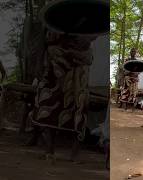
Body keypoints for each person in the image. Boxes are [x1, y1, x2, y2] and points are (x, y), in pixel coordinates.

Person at [29, 31, 97, 162]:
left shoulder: (86, 16)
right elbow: (43, 41)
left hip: (77, 68)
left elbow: (93, 34)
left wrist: (77, 38)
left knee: (78, 108)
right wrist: (38, 64)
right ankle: (49, 150)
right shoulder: (54, 14)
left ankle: (74, 153)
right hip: (53, 67)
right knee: (46, 105)